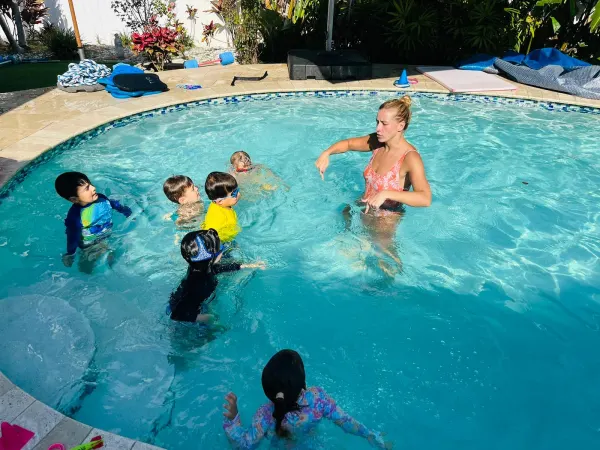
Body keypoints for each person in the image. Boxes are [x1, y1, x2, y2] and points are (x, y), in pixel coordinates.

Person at [314, 96, 431, 274]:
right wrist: (327, 153)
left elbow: (425, 197)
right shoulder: (378, 143)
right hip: (361, 209)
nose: (377, 128)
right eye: (377, 122)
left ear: (400, 126)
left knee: (387, 268)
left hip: (384, 222)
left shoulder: (410, 158)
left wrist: (387, 193)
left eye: (384, 124)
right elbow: (348, 144)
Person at [223, 349, 392, 449]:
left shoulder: (265, 414)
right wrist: (370, 435)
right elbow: (345, 421)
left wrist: (233, 420)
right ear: (302, 381)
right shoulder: (318, 399)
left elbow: (245, 444)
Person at [168, 229, 264, 323]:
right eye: (220, 248)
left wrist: (245, 266)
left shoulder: (199, 268)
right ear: (211, 258)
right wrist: (208, 319)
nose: (222, 250)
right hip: (183, 310)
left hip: (187, 299)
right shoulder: (199, 284)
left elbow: (217, 268)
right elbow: (176, 315)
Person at [55, 171, 132, 271]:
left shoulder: (101, 198)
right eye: (87, 188)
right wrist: (71, 253)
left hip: (106, 234)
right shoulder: (76, 216)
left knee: (112, 256)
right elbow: (72, 236)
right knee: (88, 266)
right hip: (89, 244)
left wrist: (126, 212)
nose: (93, 188)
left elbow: (112, 204)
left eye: (90, 184)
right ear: (74, 199)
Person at [202, 172, 241, 243]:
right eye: (234, 193)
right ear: (220, 201)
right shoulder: (217, 217)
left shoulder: (221, 203)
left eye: (237, 189)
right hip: (222, 243)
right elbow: (209, 238)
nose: (238, 193)